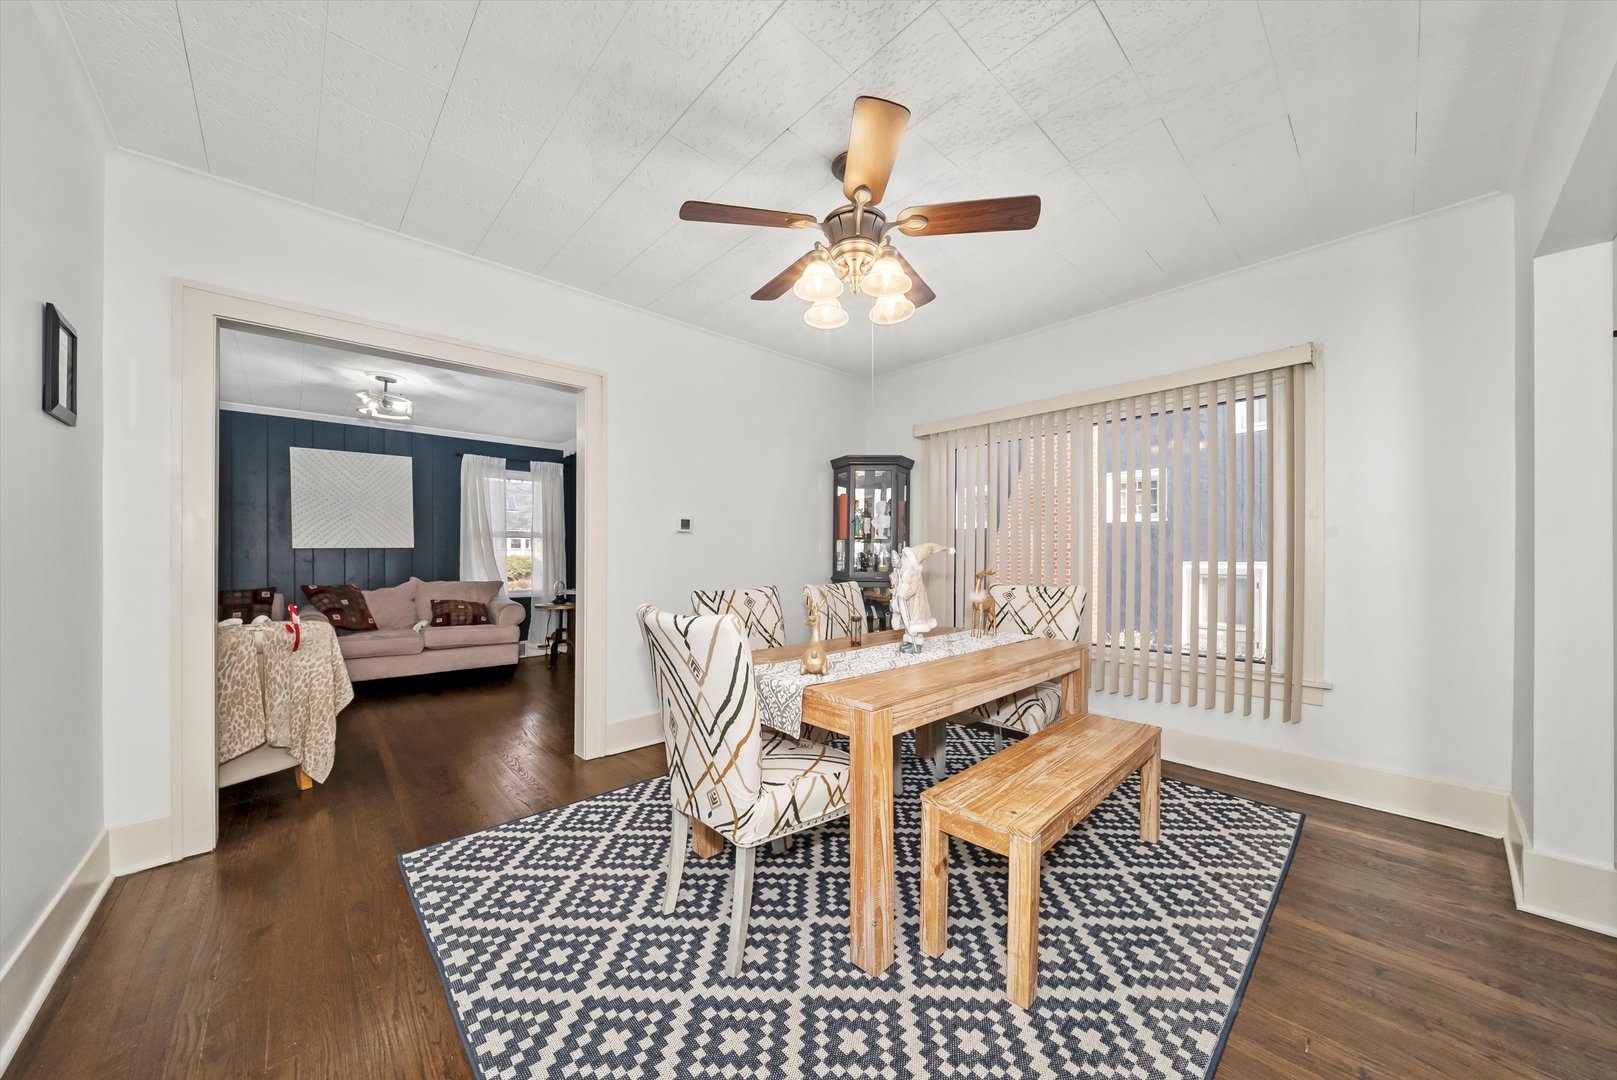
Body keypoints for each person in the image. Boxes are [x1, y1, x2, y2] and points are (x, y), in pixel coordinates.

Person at [889, 542, 954, 652]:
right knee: (907, 623)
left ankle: (917, 645)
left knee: (914, 623)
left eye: (905, 556)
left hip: (915, 604)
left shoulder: (913, 572)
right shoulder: (903, 571)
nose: (902, 558)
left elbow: (910, 590)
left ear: (910, 559)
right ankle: (910, 642)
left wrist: (902, 590)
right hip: (907, 604)